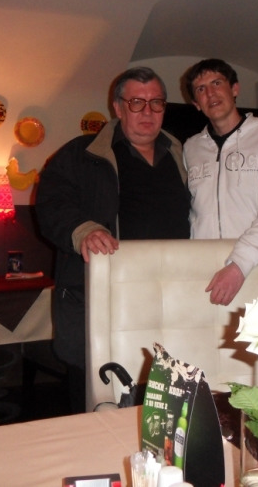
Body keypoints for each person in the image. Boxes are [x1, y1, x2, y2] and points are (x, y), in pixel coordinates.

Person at [35, 67, 190, 413]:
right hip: (104, 301)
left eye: (156, 102)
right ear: (117, 107)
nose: (148, 111)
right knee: (99, 403)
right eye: (136, 102)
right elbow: (51, 204)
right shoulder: (81, 155)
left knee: (165, 403)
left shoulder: (183, 154)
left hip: (167, 301)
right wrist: (84, 230)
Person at [182, 58, 258, 306]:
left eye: (217, 83)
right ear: (196, 104)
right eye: (201, 89)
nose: (210, 93)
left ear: (234, 89)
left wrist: (238, 265)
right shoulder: (191, 148)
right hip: (202, 275)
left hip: (254, 269)